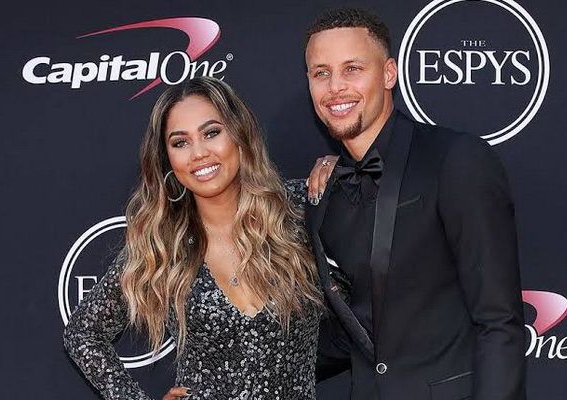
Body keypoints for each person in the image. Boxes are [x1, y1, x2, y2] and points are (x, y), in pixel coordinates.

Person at [303, 8, 526, 400]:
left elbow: (499, 322)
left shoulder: (455, 160)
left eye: (352, 68)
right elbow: (352, 332)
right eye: (321, 73)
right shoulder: (325, 193)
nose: (335, 87)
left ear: (389, 73)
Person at [64, 77, 323, 400]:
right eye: (180, 143)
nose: (199, 153)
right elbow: (82, 333)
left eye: (211, 133)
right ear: (167, 158)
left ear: (240, 134)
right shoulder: (164, 243)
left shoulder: (299, 210)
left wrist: (335, 167)